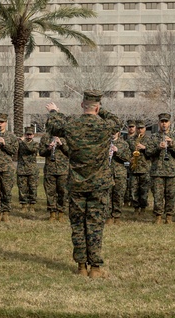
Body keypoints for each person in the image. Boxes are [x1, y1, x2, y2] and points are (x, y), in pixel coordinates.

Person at [45, 91, 121, 278]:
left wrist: (54, 111)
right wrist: (100, 111)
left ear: (81, 105)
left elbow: (53, 125)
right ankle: (95, 267)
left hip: (77, 184)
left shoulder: (72, 125)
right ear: (97, 107)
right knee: (95, 224)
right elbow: (116, 121)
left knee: (78, 224)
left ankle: (81, 266)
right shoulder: (105, 125)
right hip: (99, 184)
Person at [145, 113, 175, 224]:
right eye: (162, 121)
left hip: (171, 172)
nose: (164, 124)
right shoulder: (153, 137)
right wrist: (157, 148)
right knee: (158, 195)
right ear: (159, 123)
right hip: (157, 172)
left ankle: (169, 216)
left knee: (171, 195)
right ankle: (158, 216)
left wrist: (172, 145)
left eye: (166, 121)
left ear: (169, 123)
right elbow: (148, 153)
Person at [39, 133, 69, 221]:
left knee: (63, 192)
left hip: (63, 170)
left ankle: (61, 213)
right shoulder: (45, 137)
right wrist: (48, 148)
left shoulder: (67, 137)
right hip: (50, 170)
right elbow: (41, 152)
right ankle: (52, 213)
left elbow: (70, 152)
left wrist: (61, 144)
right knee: (50, 192)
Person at [127, 120, 152, 216]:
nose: (140, 130)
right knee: (133, 189)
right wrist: (130, 159)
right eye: (138, 128)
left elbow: (153, 153)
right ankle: (135, 207)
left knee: (144, 190)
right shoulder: (130, 140)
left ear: (145, 129)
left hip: (145, 168)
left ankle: (143, 207)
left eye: (142, 128)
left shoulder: (149, 140)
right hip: (134, 168)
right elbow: (126, 152)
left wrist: (144, 148)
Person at [16, 125, 40, 213]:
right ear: (25, 135)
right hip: (22, 169)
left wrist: (23, 142)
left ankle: (32, 205)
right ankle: (23, 205)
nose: (29, 136)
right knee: (22, 188)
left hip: (32, 170)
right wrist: (17, 141)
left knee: (33, 188)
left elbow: (30, 150)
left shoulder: (35, 144)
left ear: (33, 135)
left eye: (30, 135)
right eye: (27, 135)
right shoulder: (20, 143)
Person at [108, 130, 129, 224]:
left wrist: (118, 151)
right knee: (107, 195)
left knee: (118, 195)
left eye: (115, 131)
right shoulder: (104, 143)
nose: (113, 133)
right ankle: (108, 216)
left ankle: (117, 216)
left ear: (118, 133)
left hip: (119, 174)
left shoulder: (124, 144)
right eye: (111, 131)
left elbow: (128, 158)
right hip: (107, 173)